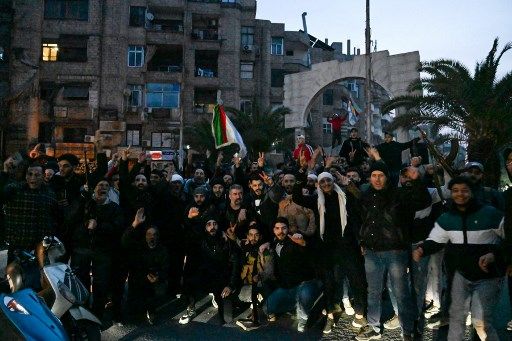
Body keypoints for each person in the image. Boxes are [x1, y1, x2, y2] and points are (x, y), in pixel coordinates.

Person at [413, 176, 505, 340]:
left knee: (480, 321)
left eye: (464, 190)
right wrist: (422, 249)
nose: (460, 194)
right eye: (455, 191)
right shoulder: (447, 218)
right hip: (460, 276)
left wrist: (495, 254)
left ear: (472, 192)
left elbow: (509, 239)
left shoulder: (490, 214)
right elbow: (436, 240)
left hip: (487, 277)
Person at [355, 148, 431, 341]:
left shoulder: (399, 194)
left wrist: (416, 180)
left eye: (381, 175)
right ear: (370, 177)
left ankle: (407, 330)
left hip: (395, 252)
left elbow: (423, 200)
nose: (377, 179)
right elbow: (362, 220)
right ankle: (374, 327)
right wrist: (362, 241)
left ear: (387, 177)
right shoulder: (365, 195)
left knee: (401, 292)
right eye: (374, 175)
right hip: (372, 252)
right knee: (373, 292)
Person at [293, 168, 366, 334]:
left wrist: (349, 184)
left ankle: (360, 313)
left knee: (356, 279)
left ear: (333, 182)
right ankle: (331, 316)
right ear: (319, 184)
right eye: (322, 182)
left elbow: (361, 201)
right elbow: (297, 197)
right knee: (330, 283)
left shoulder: (344, 196)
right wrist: (302, 172)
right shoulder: (316, 200)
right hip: (327, 248)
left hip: (348, 245)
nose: (326, 184)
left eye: (328, 180)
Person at [71, 180, 124, 321]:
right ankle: (83, 311)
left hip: (103, 251)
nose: (104, 188)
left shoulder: (114, 207)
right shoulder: (86, 203)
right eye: (100, 185)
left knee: (101, 284)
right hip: (83, 249)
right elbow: (72, 219)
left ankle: (97, 315)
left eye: (107, 186)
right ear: (94, 189)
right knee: (82, 281)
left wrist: (99, 226)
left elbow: (118, 227)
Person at [262, 217, 321, 333]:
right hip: (288, 287)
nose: (281, 231)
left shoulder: (295, 240)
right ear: (273, 230)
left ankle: (304, 313)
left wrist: (303, 243)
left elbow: (309, 249)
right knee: (267, 308)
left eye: (284, 228)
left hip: (305, 283)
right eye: (277, 228)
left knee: (305, 294)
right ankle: (295, 304)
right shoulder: (274, 243)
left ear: (288, 229)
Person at [179, 217, 241, 325]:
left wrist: (230, 285)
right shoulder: (200, 241)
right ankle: (191, 308)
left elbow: (235, 264)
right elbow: (187, 235)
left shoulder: (227, 241)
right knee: (188, 281)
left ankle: (220, 299)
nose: (212, 227)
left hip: (221, 279)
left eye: (214, 224)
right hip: (206, 276)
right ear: (205, 228)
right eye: (209, 225)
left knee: (227, 318)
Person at [3, 162, 60, 262]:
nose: (33, 177)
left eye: (37, 175)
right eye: (30, 174)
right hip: (17, 245)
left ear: (43, 176)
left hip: (40, 247)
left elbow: (55, 217)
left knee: (38, 276)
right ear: (26, 176)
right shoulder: (15, 190)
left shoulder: (50, 194)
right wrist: (5, 173)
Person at [121, 208, 169, 325]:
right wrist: (135, 224)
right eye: (149, 234)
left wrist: (158, 277)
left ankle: (151, 309)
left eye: (154, 235)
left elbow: (166, 268)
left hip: (154, 279)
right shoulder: (139, 247)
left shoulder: (162, 250)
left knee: (157, 291)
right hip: (139, 278)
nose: (151, 237)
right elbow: (124, 241)